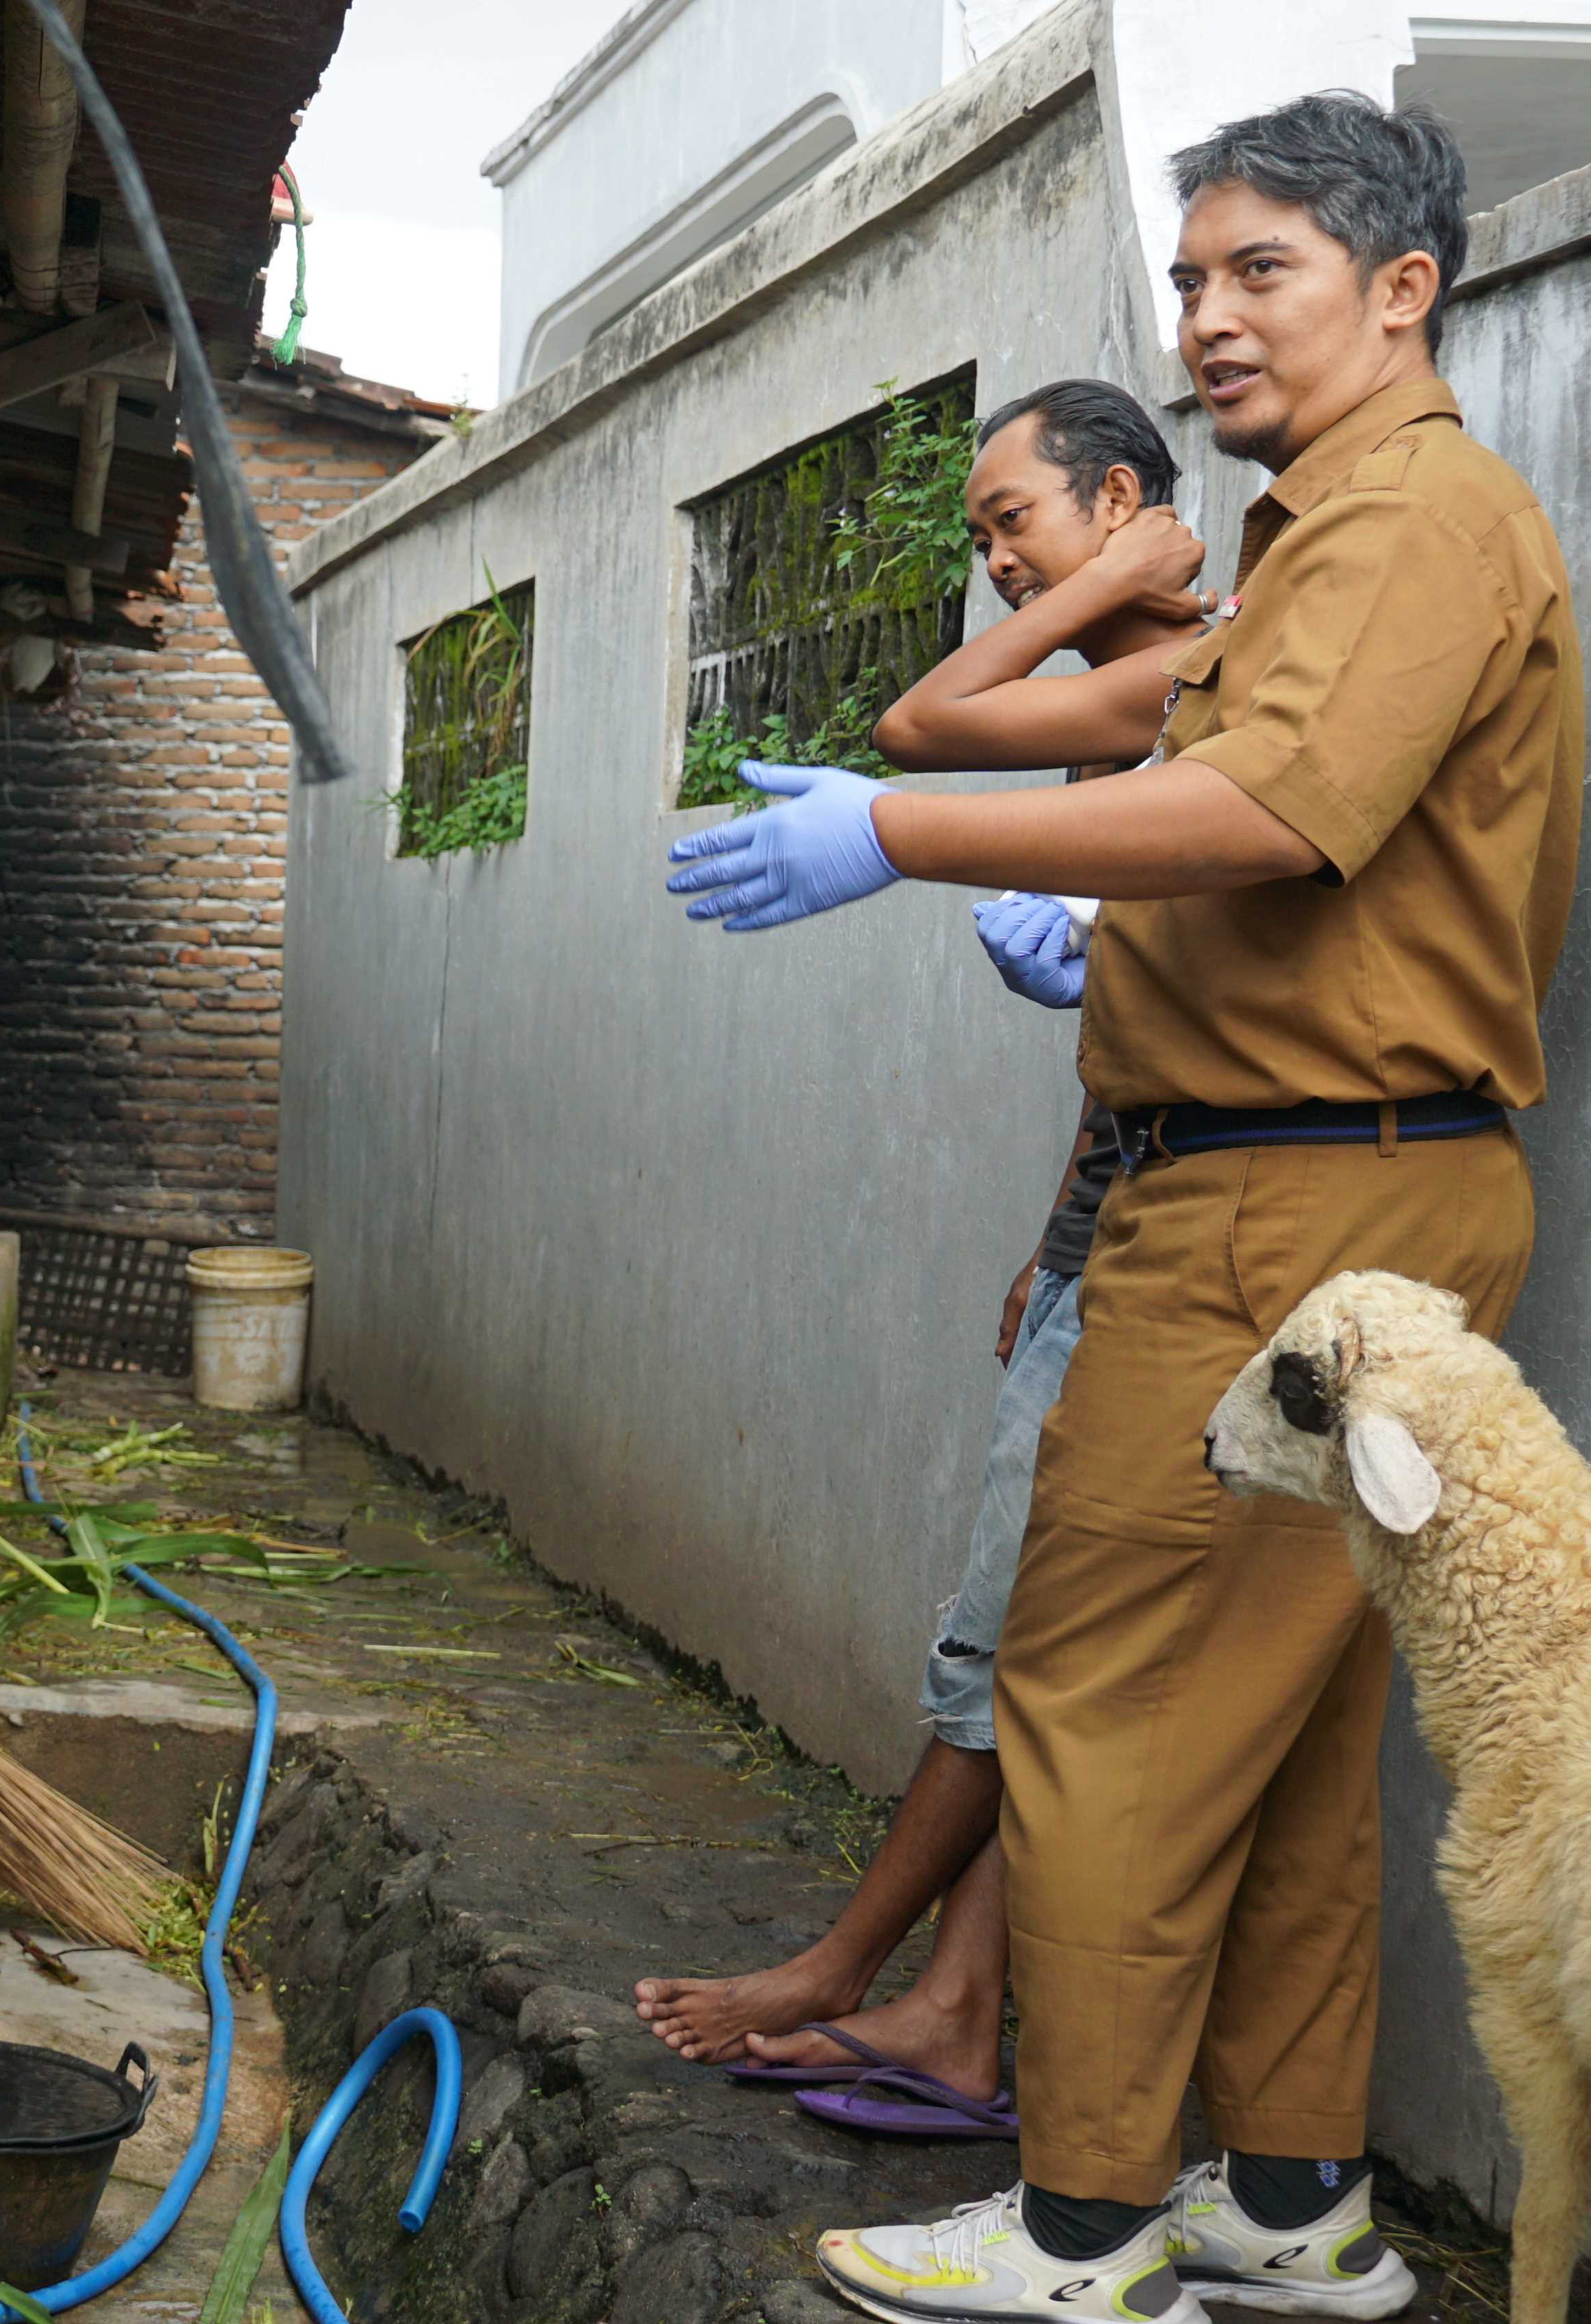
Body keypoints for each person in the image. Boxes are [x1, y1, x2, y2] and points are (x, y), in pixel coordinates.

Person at [666, 92, 1581, 2324]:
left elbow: (1264, 809)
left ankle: (1083, 2227)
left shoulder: (1415, 528)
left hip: (1290, 1209)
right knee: (1273, 1749)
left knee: (1102, 1697)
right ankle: (1288, 2202)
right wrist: (917, 777)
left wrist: (886, 838)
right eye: (1187, 279)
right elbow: (1072, 727)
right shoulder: (1316, 539)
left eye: (1254, 269)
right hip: (1315, 1192)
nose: (1205, 319)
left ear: (1400, 288)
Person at [631, 378, 1210, 2131]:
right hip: (1124, 1205)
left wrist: (1104, 592)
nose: (993, 563)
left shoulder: (1211, 670)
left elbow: (911, 727)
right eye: (979, 541)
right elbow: (1153, 1026)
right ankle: (955, 2004)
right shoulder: (1129, 697)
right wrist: (1059, 1224)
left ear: (1120, 499)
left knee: (1014, 1638)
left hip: (1198, 1231)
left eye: (1013, 522)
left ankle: (852, 1970)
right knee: (1025, 1636)